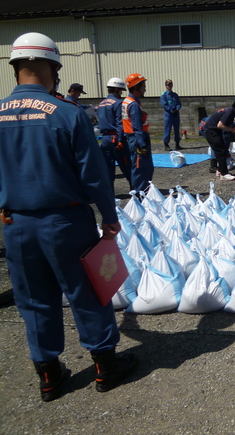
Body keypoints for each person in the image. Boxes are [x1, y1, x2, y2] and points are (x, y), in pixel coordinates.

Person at [0, 32, 136, 402]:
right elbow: (93, 175)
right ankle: (105, 367)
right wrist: (109, 216)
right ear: (52, 67)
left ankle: (48, 375)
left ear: (16, 67)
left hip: (15, 224)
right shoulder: (67, 114)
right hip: (65, 222)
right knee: (87, 291)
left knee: (33, 298)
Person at [96, 77, 132, 190]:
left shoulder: (101, 104)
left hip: (105, 139)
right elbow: (120, 123)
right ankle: (136, 192)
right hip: (116, 138)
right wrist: (121, 139)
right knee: (127, 166)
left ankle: (110, 195)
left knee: (108, 170)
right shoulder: (118, 103)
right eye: (120, 91)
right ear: (116, 90)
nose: (121, 93)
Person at [123, 73, 154, 193]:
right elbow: (137, 127)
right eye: (143, 86)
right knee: (142, 170)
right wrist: (143, 145)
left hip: (132, 139)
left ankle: (139, 194)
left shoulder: (127, 101)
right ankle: (140, 197)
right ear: (136, 87)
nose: (145, 88)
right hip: (137, 140)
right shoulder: (133, 105)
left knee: (138, 169)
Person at [203, 100, 235, 181]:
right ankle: (224, 174)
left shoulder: (231, 112)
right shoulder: (229, 112)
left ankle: (219, 170)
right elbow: (220, 125)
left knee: (222, 149)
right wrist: (232, 130)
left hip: (214, 131)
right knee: (221, 151)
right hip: (211, 131)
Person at [160, 79, 182, 150]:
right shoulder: (164, 95)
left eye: (170, 84)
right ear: (165, 86)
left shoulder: (175, 95)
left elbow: (179, 103)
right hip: (168, 114)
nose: (169, 86)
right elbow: (164, 105)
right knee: (167, 129)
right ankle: (166, 144)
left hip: (175, 114)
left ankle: (177, 144)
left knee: (176, 129)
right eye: (168, 84)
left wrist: (177, 109)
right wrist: (171, 110)